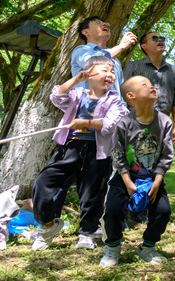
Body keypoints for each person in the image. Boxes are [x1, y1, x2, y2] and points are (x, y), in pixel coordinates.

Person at [30, 56, 128, 251]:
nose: (109, 75)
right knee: (42, 183)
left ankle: (87, 233)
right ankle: (48, 225)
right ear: (89, 74)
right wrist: (77, 79)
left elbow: (111, 123)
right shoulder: (77, 94)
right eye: (104, 71)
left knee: (92, 193)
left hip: (97, 153)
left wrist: (85, 123)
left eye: (112, 72)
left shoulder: (114, 100)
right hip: (69, 148)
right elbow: (57, 96)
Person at [100, 76, 174, 267]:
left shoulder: (164, 121)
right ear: (131, 96)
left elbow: (167, 154)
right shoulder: (124, 123)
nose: (151, 87)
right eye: (145, 85)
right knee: (114, 209)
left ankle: (148, 247)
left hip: (152, 179)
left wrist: (158, 181)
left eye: (152, 84)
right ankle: (113, 248)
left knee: (163, 211)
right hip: (125, 178)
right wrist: (127, 182)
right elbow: (117, 154)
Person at [123, 31, 175, 152]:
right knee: (134, 164)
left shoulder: (173, 70)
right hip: (136, 124)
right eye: (154, 38)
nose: (160, 40)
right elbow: (123, 96)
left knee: (159, 165)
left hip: (162, 126)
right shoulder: (133, 66)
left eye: (162, 37)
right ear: (143, 46)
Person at [71, 16, 137, 98]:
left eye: (106, 23)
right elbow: (94, 63)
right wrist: (121, 46)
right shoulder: (81, 50)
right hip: (89, 108)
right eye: (97, 22)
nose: (105, 24)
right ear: (85, 32)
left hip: (114, 108)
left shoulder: (115, 60)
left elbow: (119, 89)